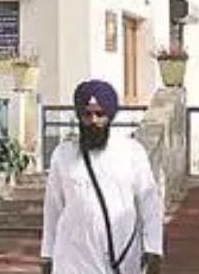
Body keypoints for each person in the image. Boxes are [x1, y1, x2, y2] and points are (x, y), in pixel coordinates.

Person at [40, 80, 164, 274]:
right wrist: (48, 255)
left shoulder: (131, 152)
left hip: (121, 257)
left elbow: (149, 202)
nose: (94, 120)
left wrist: (153, 249)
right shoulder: (63, 154)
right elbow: (53, 208)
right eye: (87, 115)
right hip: (72, 258)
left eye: (100, 114)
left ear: (110, 116)